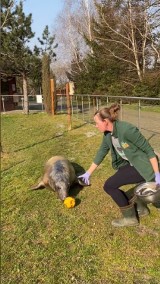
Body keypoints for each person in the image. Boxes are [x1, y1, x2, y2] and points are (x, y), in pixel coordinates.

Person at [78, 103, 160, 227]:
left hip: (144, 167)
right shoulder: (107, 135)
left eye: (97, 123)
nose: (96, 126)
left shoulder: (127, 130)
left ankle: (131, 218)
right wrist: (88, 173)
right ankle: (141, 209)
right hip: (132, 165)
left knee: (109, 186)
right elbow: (102, 152)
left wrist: (157, 173)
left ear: (105, 121)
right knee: (121, 187)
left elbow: (149, 151)